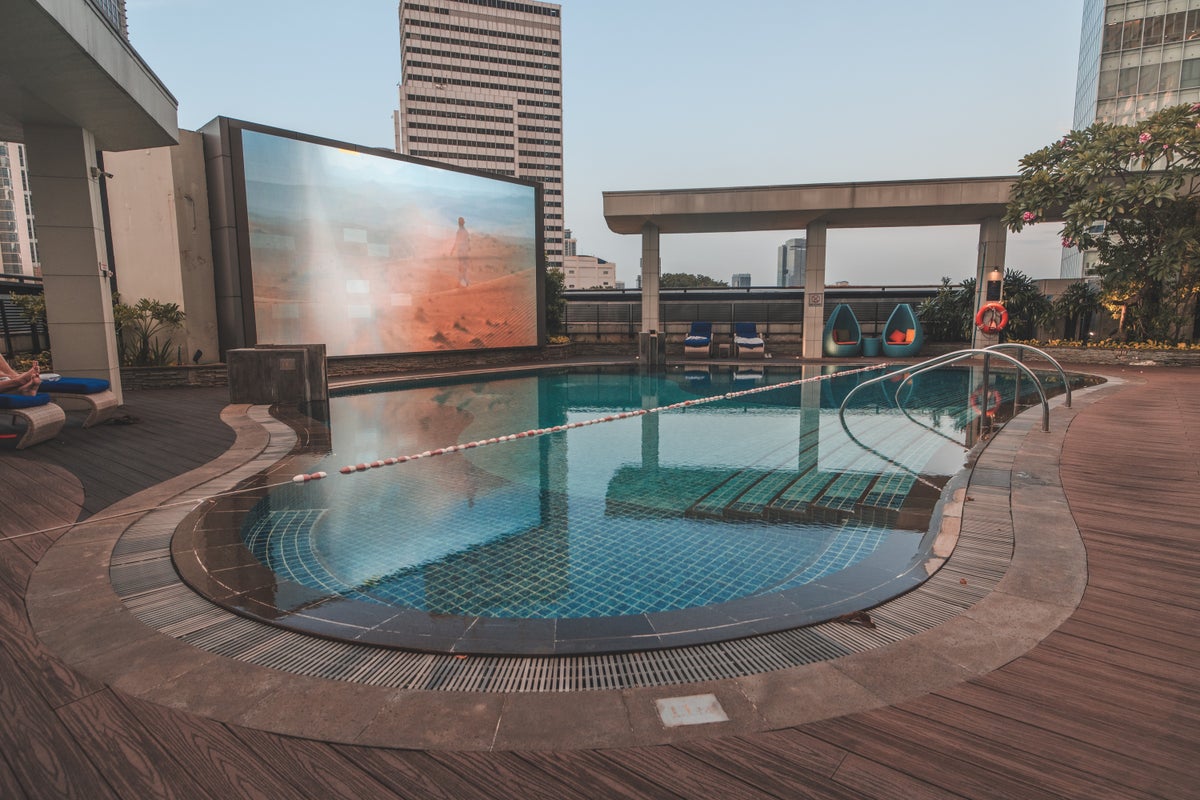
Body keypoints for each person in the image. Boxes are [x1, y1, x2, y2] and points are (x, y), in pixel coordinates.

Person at [448, 216, 471, 287]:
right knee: (464, 266)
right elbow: (468, 240)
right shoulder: (466, 231)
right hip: (465, 251)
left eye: (459, 222)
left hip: (461, 251)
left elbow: (457, 241)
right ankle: (465, 281)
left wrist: (452, 250)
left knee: (461, 266)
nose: (459, 223)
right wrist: (468, 248)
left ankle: (462, 282)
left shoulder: (459, 231)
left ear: (460, 223)